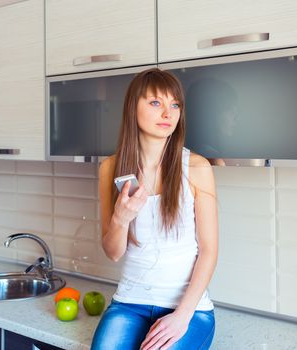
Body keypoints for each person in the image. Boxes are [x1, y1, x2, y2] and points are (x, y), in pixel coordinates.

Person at [92, 68, 218, 350]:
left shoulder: (196, 168)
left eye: (174, 105)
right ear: (132, 108)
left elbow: (209, 251)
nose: (168, 113)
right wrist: (121, 218)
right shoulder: (110, 169)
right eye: (155, 103)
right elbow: (113, 253)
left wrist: (181, 317)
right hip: (129, 304)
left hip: (189, 310)